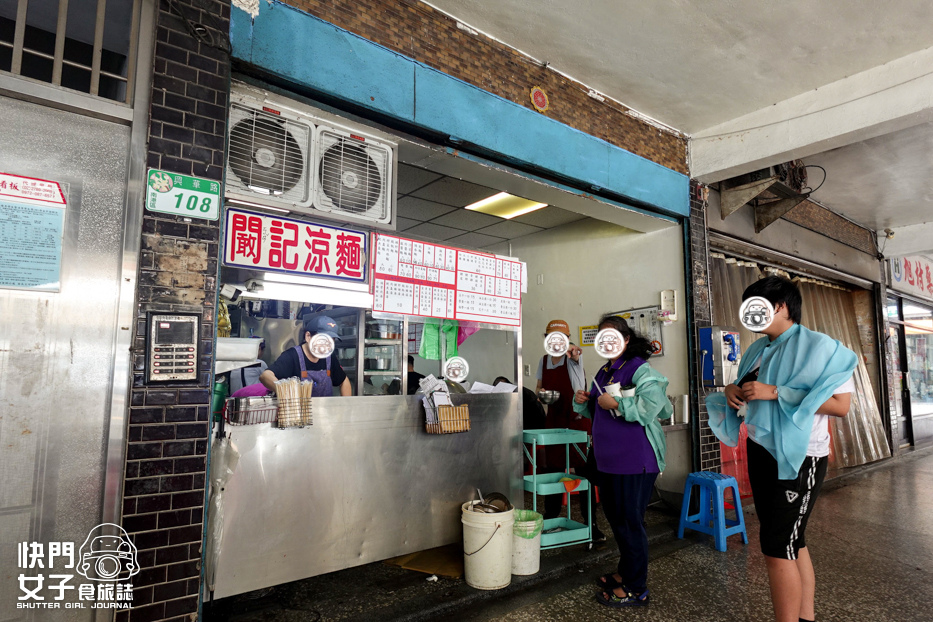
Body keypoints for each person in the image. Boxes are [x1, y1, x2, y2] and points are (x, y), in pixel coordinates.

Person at [706, 276, 856, 622]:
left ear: (782, 306)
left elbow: (840, 405)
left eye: (756, 306)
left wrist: (776, 392)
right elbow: (748, 388)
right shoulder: (759, 349)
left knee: (776, 549)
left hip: (801, 457)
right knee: (792, 541)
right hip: (762, 450)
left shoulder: (822, 347)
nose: (750, 316)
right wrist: (733, 389)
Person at [574, 314, 671, 608]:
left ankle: (637, 588)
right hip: (609, 461)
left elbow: (652, 406)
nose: (607, 341)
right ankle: (625, 573)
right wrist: (584, 401)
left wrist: (617, 403)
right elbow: (599, 412)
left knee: (630, 522)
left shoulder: (640, 369)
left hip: (635, 460)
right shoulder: (604, 371)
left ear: (626, 340)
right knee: (617, 520)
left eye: (613, 336)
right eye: (602, 337)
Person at [535, 319, 601, 538]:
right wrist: (542, 393)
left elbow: (576, 357)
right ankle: (551, 517)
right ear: (546, 340)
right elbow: (538, 389)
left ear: (567, 339)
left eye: (561, 338)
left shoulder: (573, 359)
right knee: (552, 471)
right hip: (554, 420)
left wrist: (574, 353)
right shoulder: (543, 361)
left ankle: (591, 523)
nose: (556, 342)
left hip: (576, 421)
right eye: (551, 338)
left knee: (584, 473)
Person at [260, 315, 352, 397]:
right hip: (297, 413)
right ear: (308, 336)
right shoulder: (292, 356)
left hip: (324, 413)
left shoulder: (329, 358)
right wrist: (284, 391)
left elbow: (344, 381)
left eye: (331, 341)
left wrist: (346, 406)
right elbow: (265, 376)